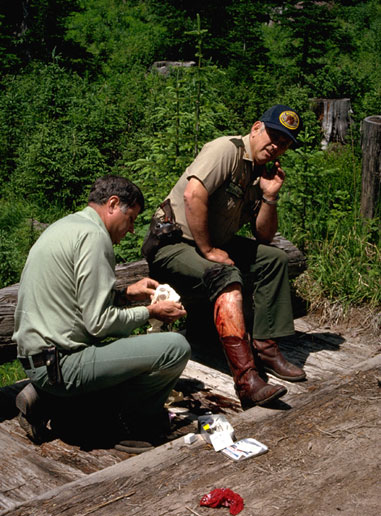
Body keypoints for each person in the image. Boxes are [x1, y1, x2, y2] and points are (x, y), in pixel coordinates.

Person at [142, 104, 306, 411]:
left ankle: (266, 347)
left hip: (210, 244)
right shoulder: (226, 150)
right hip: (173, 245)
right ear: (257, 128)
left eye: (284, 144)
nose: (276, 146)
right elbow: (194, 195)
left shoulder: (260, 174)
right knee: (225, 274)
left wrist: (270, 196)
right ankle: (247, 381)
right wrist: (207, 250)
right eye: (273, 136)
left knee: (273, 258)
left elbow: (264, 236)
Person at [13, 175, 190, 447]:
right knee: (175, 347)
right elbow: (99, 323)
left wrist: (125, 294)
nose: (131, 229)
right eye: (131, 219)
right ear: (113, 203)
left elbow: (74, 301)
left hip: (40, 361)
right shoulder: (95, 237)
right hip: (62, 364)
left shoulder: (66, 226)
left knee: (127, 353)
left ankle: (49, 400)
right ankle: (127, 425)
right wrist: (151, 312)